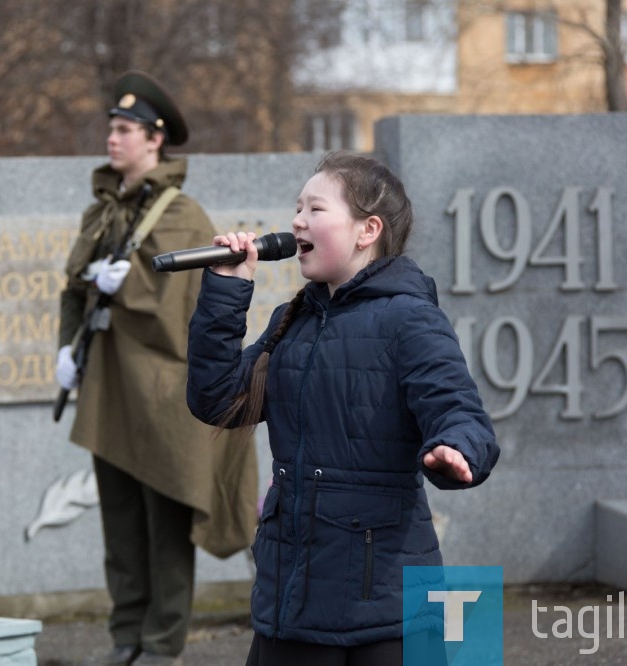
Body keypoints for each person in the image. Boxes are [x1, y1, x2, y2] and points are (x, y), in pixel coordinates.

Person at [186, 151, 501, 666]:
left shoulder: (409, 319)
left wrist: (455, 449)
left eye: (315, 209)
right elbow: (217, 400)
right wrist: (227, 289)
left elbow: (460, 412)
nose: (296, 221)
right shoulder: (294, 321)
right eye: (296, 208)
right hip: (291, 601)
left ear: (367, 230)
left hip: (386, 611)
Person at [55, 70, 258, 666]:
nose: (112, 140)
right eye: (111, 129)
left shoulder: (182, 214)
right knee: (120, 525)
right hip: (111, 388)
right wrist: (66, 349)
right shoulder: (106, 210)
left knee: (164, 520)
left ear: (155, 139)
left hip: (161, 394)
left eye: (125, 130)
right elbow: (76, 286)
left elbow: (185, 313)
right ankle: (126, 637)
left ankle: (161, 644)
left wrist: (135, 284)